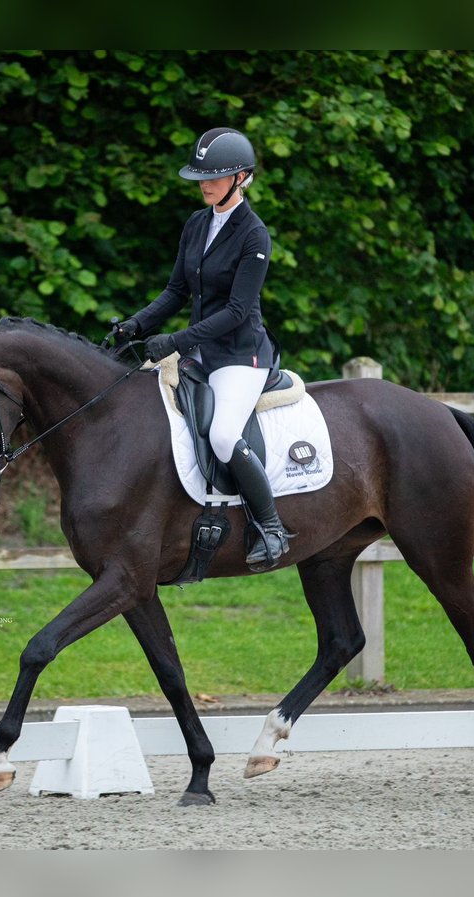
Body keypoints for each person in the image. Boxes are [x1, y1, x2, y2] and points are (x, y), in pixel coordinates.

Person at [108, 126, 293, 569]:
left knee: (224, 434)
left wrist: (173, 341)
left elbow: (235, 311)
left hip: (239, 356)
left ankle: (271, 527)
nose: (204, 184)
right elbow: (176, 292)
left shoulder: (254, 235)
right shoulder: (197, 223)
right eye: (200, 177)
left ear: (242, 178)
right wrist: (137, 324)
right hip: (200, 353)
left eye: (215, 177)